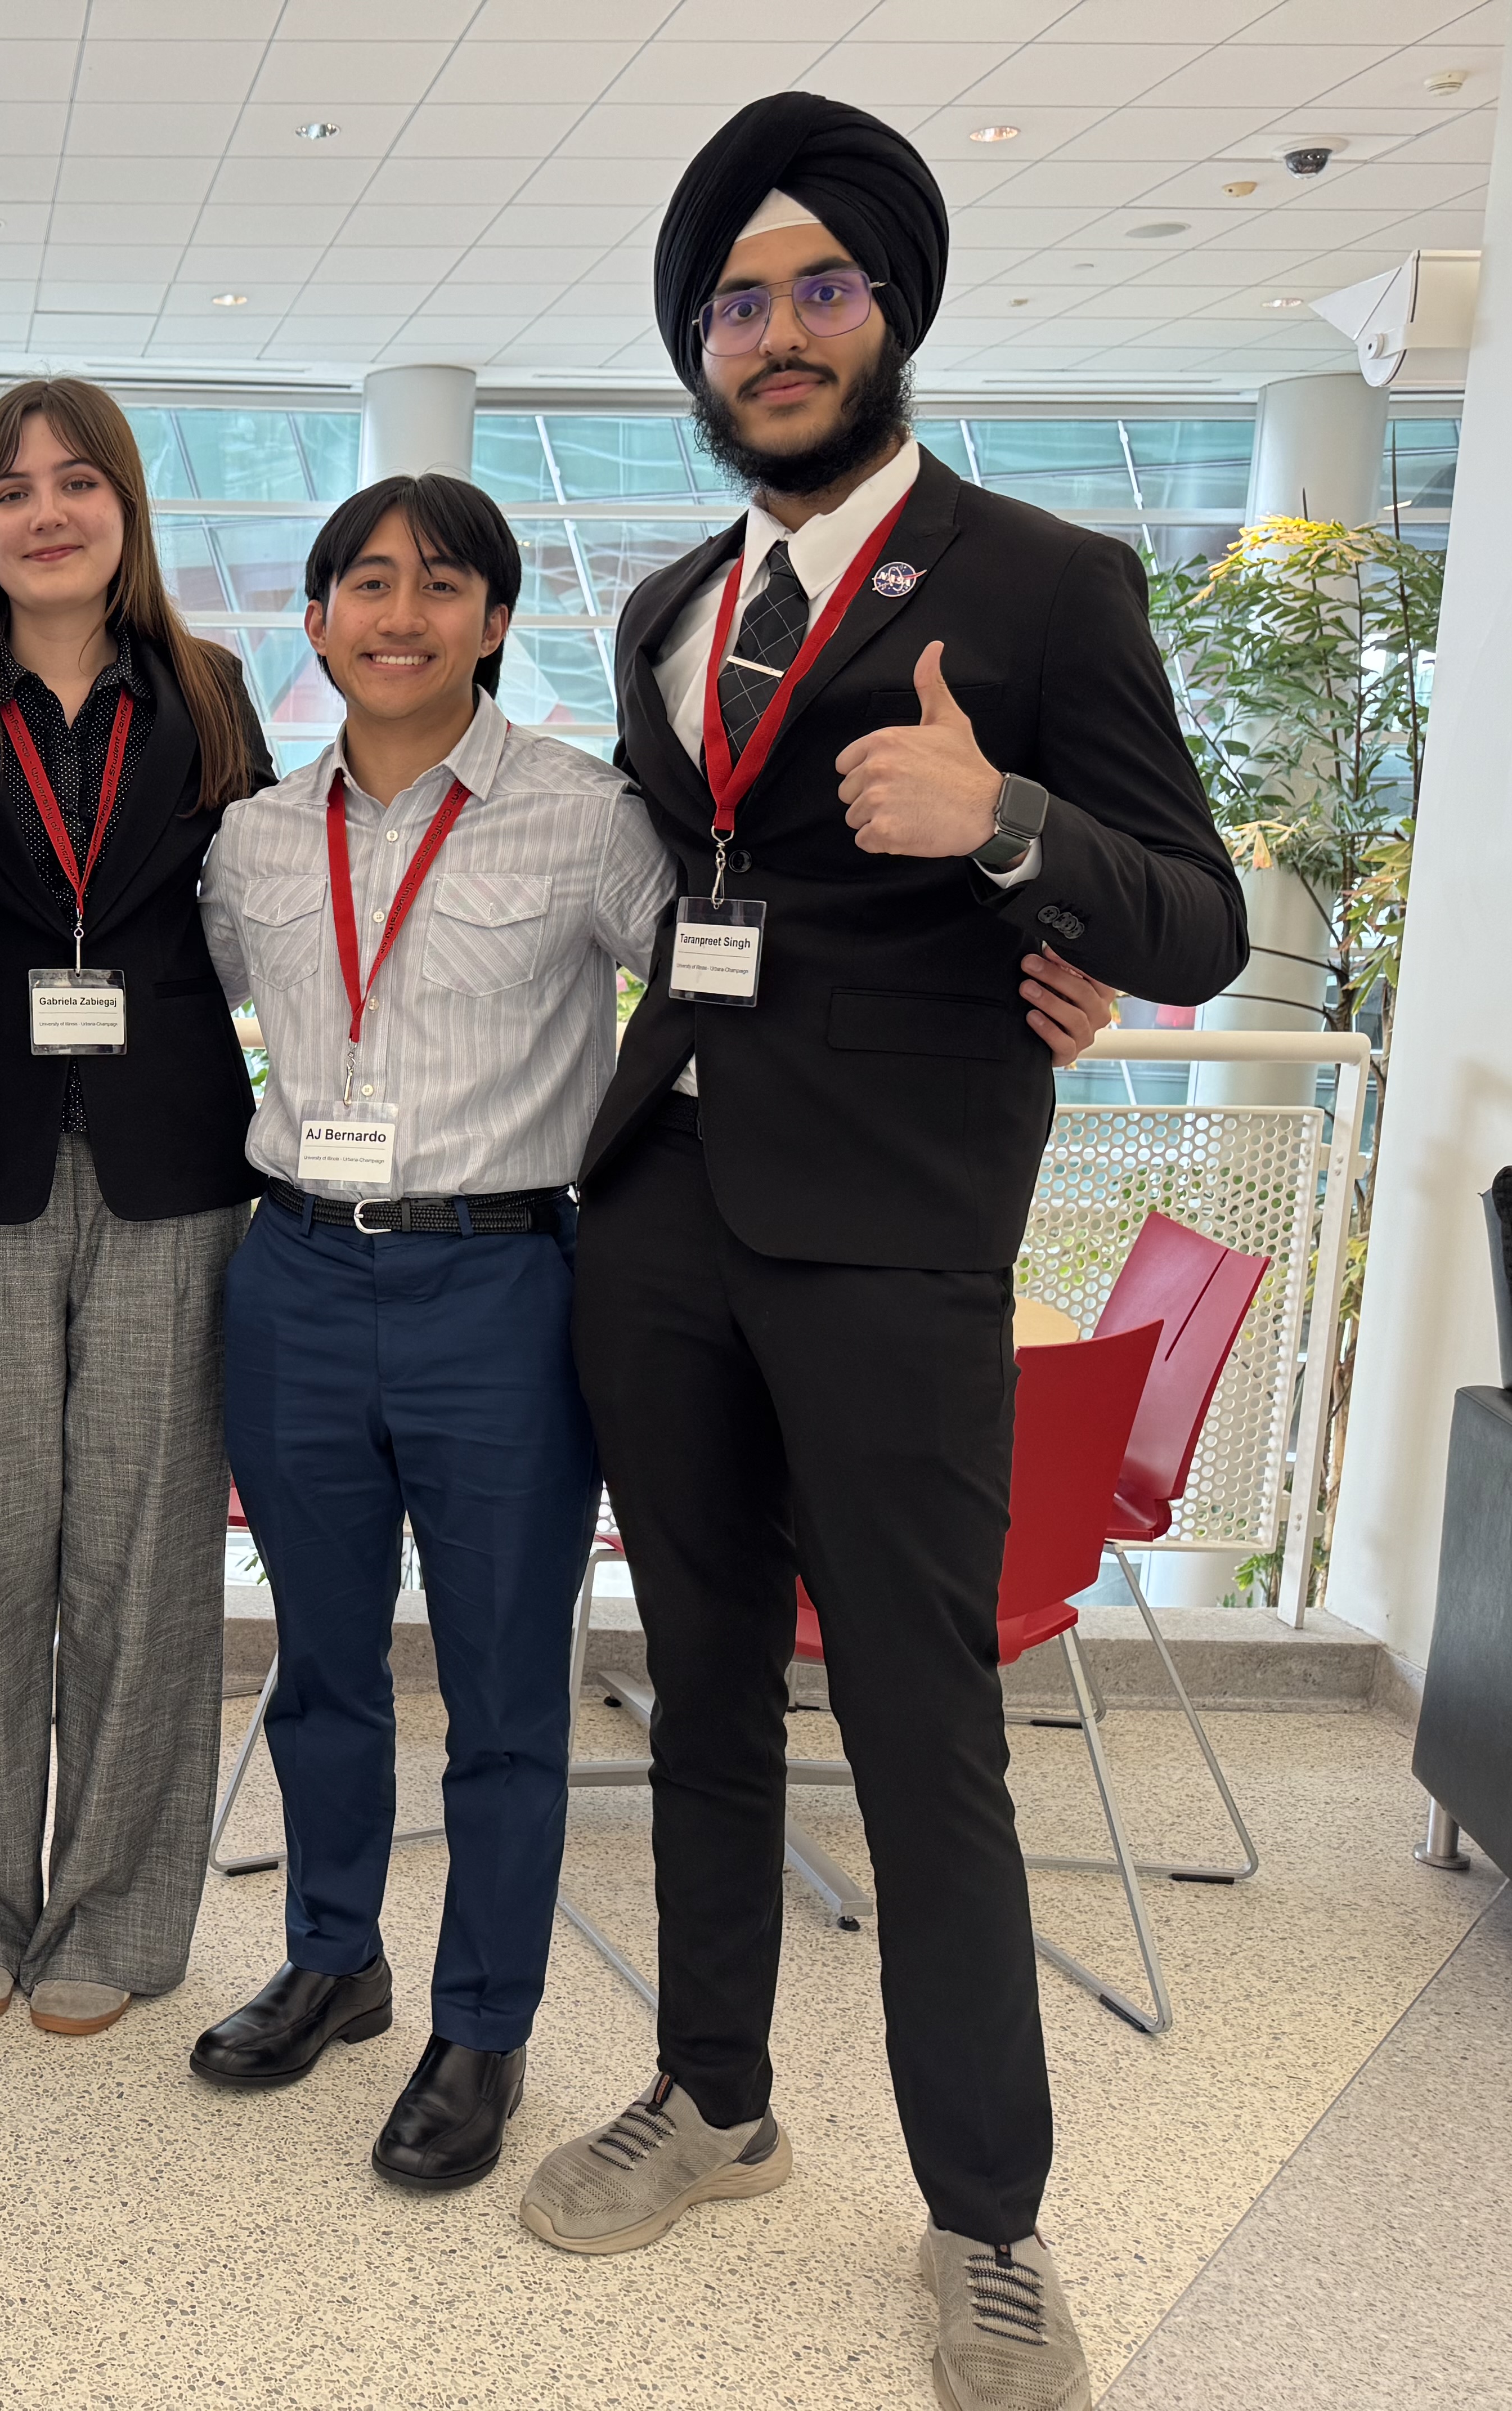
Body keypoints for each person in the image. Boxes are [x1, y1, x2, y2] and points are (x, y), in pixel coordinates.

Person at [512, 94, 1248, 2411]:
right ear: (698, 348)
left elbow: (1203, 920)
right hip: (660, 1217)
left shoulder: (1042, 586)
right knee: (700, 1687)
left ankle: (989, 2223)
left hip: (895, 1238)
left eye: (824, 283)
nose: (779, 329)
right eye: (738, 298)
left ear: (894, 309)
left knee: (930, 1738)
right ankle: (718, 2097)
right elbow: (664, 895)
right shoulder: (664, 610)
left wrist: (1011, 826)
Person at [190, 475, 1121, 2190]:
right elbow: (183, 1022)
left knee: (499, 1684)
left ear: (494, 622)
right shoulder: (250, 839)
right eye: (365, 585)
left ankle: (484, 2023)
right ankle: (336, 1954)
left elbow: (758, 963)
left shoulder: (588, 814)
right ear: (312, 622)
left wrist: (1035, 969)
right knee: (318, 1666)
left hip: (503, 1283)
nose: (400, 614)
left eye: (441, 585)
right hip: (298, 1277)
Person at [0, 378, 271, 2040]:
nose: (46, 511)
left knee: (147, 1553)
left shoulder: (215, 693)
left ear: (125, 511)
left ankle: (113, 1907)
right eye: (11, 487)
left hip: (177, 1160)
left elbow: (272, 910)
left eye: (77, 481)